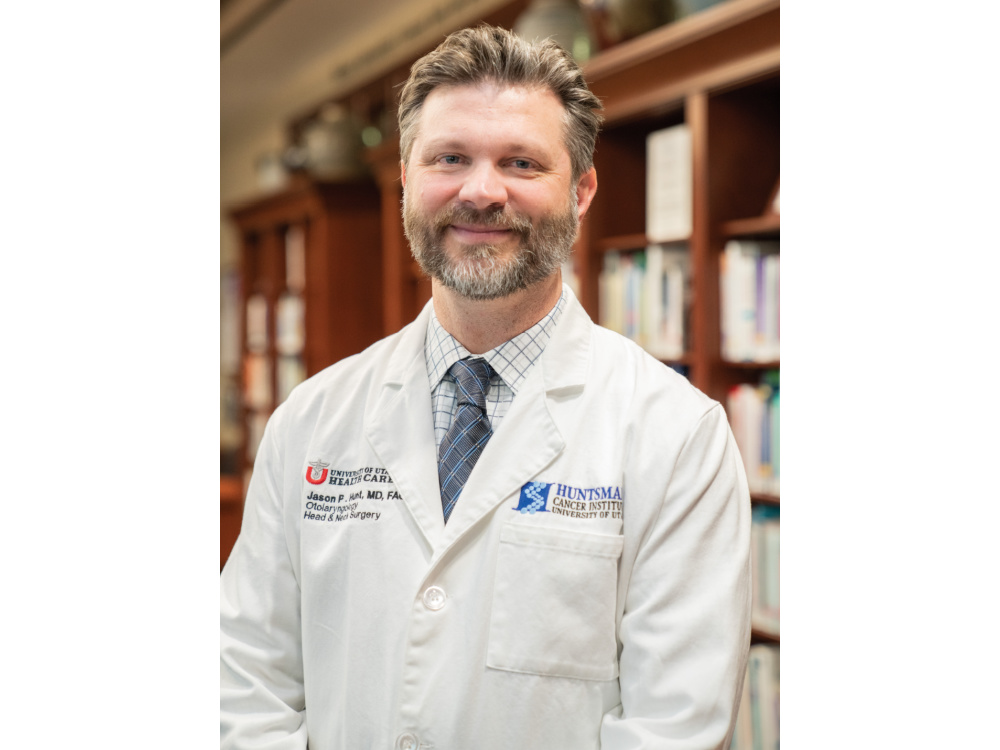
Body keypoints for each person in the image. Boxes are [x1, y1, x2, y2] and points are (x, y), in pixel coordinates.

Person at [221, 24, 751, 750]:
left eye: (522, 162)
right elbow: (246, 683)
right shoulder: (310, 420)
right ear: (408, 180)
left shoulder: (675, 435)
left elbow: (674, 729)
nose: (481, 190)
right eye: (450, 158)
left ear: (583, 190)